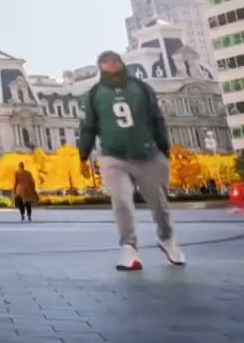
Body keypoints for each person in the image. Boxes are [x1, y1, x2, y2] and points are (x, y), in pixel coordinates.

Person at [78, 50, 185, 271]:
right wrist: (82, 155)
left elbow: (157, 119)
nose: (111, 66)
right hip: (113, 156)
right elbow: (88, 127)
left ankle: (167, 239)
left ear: (121, 63)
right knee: (122, 202)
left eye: (114, 62)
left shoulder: (141, 88)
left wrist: (164, 150)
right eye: (106, 63)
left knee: (159, 204)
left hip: (147, 154)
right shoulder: (95, 94)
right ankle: (129, 247)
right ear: (101, 68)